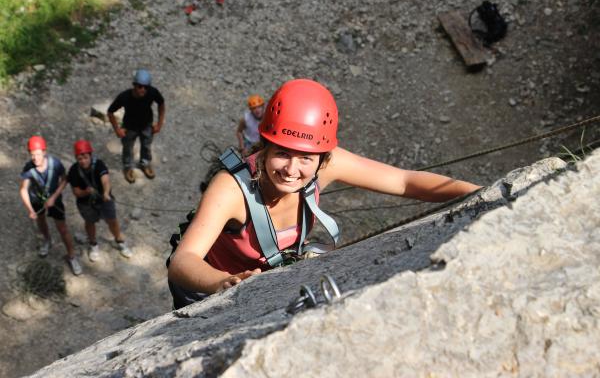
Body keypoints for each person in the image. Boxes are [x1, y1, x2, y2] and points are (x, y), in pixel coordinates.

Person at [167, 79, 481, 309]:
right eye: (282, 153)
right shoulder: (231, 188)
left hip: (262, 278)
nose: (291, 169)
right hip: (207, 289)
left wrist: (479, 194)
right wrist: (223, 283)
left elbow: (404, 181)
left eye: (305, 158)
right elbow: (184, 261)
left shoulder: (328, 164)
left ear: (322, 157)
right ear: (263, 148)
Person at [19, 136, 82, 276]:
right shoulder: (29, 168)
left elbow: (65, 179)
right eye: (32, 155)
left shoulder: (55, 164)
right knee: (41, 220)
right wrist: (30, 210)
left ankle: (72, 256)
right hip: (37, 198)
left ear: (44, 152)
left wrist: (54, 197)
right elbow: (23, 189)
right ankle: (47, 240)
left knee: (62, 228)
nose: (35, 158)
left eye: (38, 154)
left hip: (54, 199)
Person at [67, 140, 133, 262]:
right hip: (85, 202)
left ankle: (120, 241)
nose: (83, 161)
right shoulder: (74, 171)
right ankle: (93, 244)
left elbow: (105, 180)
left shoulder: (99, 165)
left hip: (103, 198)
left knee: (112, 220)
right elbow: (76, 192)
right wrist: (86, 192)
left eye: (85, 157)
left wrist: (106, 192)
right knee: (90, 222)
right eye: (80, 158)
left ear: (90, 155)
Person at [107, 69, 166, 184]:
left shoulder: (152, 92)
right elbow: (110, 112)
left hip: (146, 125)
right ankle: (128, 167)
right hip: (129, 127)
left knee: (146, 145)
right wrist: (117, 129)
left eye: (145, 87)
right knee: (128, 148)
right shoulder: (124, 97)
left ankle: (145, 163)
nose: (143, 89)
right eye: (139, 86)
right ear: (134, 85)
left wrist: (159, 123)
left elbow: (161, 104)